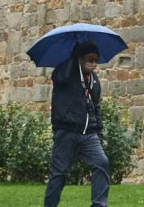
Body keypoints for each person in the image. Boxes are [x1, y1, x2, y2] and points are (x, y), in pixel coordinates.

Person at [44, 40, 110, 207]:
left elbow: (96, 108)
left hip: (88, 134)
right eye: (89, 59)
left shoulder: (94, 80)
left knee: (101, 163)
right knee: (59, 174)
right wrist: (73, 58)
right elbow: (59, 78)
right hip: (66, 132)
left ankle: (98, 205)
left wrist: (99, 133)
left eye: (96, 60)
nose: (93, 64)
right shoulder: (65, 72)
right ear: (80, 58)